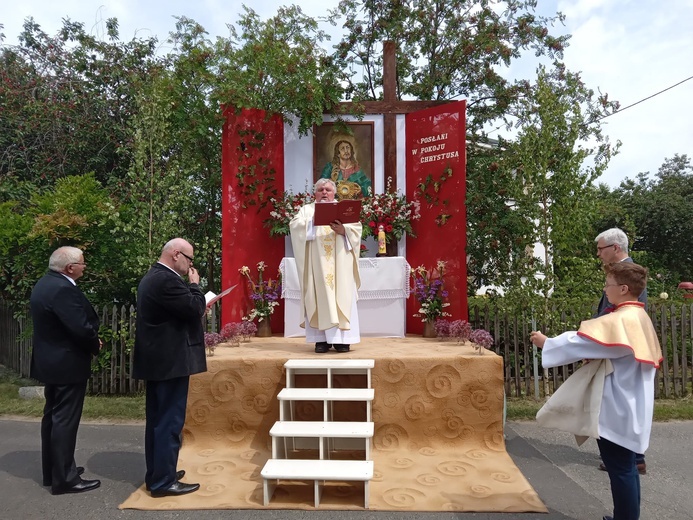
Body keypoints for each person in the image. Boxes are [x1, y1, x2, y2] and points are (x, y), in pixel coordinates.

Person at [531, 262, 662, 520]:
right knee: (627, 468)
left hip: (618, 408)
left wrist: (547, 342)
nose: (605, 289)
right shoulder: (639, 317)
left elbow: (583, 342)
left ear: (623, 288)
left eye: (609, 284)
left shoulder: (622, 320)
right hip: (632, 404)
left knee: (621, 469)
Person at [133, 238, 207, 497]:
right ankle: (163, 481)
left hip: (160, 361)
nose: (190, 266)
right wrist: (196, 287)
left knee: (158, 420)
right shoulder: (166, 280)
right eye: (189, 259)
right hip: (169, 361)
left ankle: (158, 473)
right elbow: (194, 308)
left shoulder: (154, 277)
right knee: (168, 422)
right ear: (176, 255)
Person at [30, 246, 102, 495]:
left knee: (52, 418)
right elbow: (80, 328)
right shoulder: (63, 289)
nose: (85, 266)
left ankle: (53, 471)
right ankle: (65, 479)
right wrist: (95, 343)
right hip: (67, 364)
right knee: (64, 421)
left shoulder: (44, 284)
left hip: (50, 362)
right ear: (70, 268)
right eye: (82, 263)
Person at [595, 228, 648, 474]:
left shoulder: (628, 274)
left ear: (615, 248)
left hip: (618, 346)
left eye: (601, 249)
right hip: (618, 344)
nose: (598, 254)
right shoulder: (621, 273)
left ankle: (630, 457)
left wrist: (595, 340)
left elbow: (615, 313)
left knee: (621, 400)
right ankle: (631, 456)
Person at [290, 178, 362, 353]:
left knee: (342, 295)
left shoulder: (344, 210)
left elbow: (357, 229)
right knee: (318, 296)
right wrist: (310, 222)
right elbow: (294, 226)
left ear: (334, 192)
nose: (324, 192)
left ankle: (342, 341)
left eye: (328, 190)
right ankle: (320, 340)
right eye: (320, 189)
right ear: (314, 193)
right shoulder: (307, 210)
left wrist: (344, 230)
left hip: (341, 265)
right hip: (317, 266)